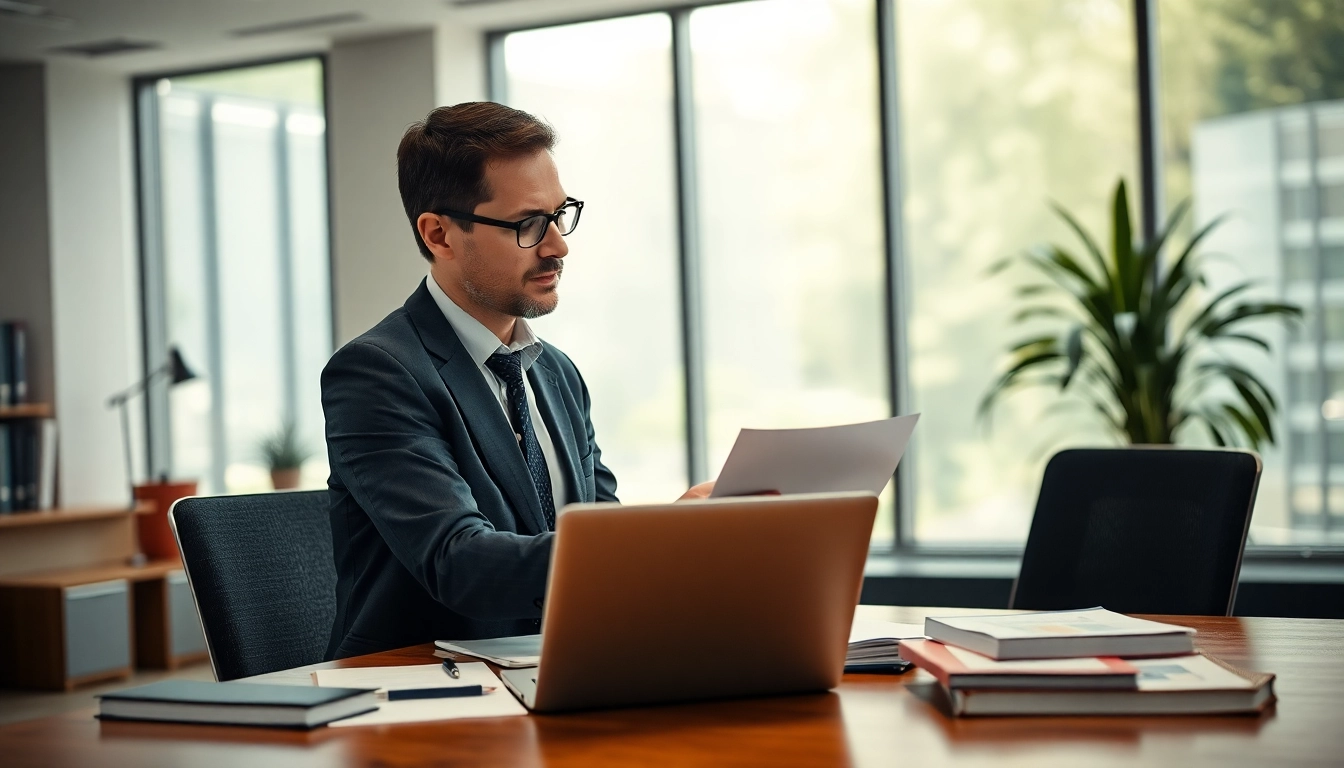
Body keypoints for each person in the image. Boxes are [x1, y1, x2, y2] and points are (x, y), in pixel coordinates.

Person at [321, 102, 711, 659]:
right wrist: (663, 540)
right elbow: (462, 564)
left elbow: (598, 542)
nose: (558, 245)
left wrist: (695, 540)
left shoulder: (556, 374)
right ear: (439, 235)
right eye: (529, 225)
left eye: (561, 215)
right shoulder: (378, 373)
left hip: (560, 671)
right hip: (426, 695)